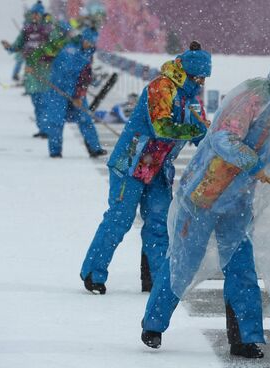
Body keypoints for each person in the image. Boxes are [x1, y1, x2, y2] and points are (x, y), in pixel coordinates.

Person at [140, 41, 270, 360]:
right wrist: (253, 163)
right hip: (205, 194)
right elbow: (223, 138)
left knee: (242, 267)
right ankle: (153, 324)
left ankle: (244, 338)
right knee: (183, 262)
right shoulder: (251, 99)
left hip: (238, 203)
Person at [80, 41, 211, 295]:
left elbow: (201, 134)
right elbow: (162, 127)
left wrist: (216, 142)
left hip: (159, 168)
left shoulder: (191, 99)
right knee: (120, 218)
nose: (202, 83)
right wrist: (196, 129)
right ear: (186, 72)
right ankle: (93, 273)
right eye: (198, 77)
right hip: (131, 161)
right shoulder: (161, 87)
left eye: (204, 78)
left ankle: (156, 279)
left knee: (159, 223)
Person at [42, 27, 107, 158]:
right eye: (88, 41)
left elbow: (85, 78)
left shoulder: (87, 53)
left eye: (92, 42)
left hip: (76, 91)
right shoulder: (69, 49)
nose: (89, 44)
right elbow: (57, 66)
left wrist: (78, 95)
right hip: (58, 91)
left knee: (85, 119)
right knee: (56, 121)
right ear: (83, 39)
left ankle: (94, 148)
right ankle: (55, 151)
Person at [1, 1, 54, 138]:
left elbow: (56, 48)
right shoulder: (27, 29)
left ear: (42, 15)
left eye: (37, 14)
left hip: (45, 69)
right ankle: (42, 128)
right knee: (36, 100)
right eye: (33, 14)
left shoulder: (48, 29)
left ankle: (48, 129)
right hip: (31, 69)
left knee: (45, 100)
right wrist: (9, 47)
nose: (35, 16)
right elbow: (17, 45)